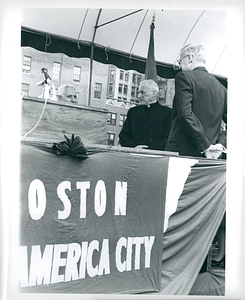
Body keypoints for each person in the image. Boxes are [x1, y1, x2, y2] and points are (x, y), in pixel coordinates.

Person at [165, 44, 227, 158]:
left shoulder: (184, 77)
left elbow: (185, 113)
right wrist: (220, 145)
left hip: (183, 153)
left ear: (189, 58)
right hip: (212, 156)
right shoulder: (221, 88)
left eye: (180, 61)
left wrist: (205, 146)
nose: (179, 65)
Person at [119, 79, 172, 151]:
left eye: (142, 92)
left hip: (155, 157)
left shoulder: (167, 113)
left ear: (154, 93)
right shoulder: (133, 112)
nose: (139, 96)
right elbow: (123, 136)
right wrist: (135, 148)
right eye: (138, 93)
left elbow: (167, 139)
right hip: (133, 155)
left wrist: (147, 149)